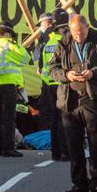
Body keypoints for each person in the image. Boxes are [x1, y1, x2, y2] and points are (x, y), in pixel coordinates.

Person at [49, 14, 97, 192]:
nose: (79, 36)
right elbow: (52, 69)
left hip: (92, 98)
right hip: (69, 100)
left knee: (96, 144)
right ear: (70, 31)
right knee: (74, 145)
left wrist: (94, 73)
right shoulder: (63, 43)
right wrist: (67, 75)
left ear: (88, 28)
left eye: (82, 32)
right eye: (75, 33)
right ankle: (79, 183)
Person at [0, 25, 29, 158]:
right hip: (8, 82)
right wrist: (16, 44)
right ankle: (9, 148)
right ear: (8, 34)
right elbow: (25, 58)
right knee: (8, 116)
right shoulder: (9, 44)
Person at [36, 12, 67, 161]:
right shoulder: (65, 41)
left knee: (55, 119)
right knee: (65, 118)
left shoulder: (49, 41)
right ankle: (65, 151)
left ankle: (56, 152)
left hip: (49, 85)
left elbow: (41, 66)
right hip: (62, 84)